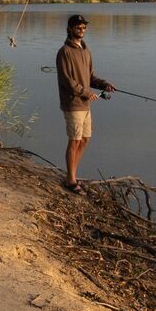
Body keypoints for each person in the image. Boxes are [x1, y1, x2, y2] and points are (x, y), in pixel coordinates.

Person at [56, 14, 115, 194]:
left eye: (84, 27)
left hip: (85, 105)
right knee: (74, 140)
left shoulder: (86, 51)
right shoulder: (64, 52)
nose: (82, 30)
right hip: (73, 104)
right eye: (78, 27)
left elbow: (90, 77)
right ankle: (70, 180)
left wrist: (104, 84)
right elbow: (67, 81)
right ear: (70, 29)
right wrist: (87, 93)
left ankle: (72, 175)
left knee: (85, 139)